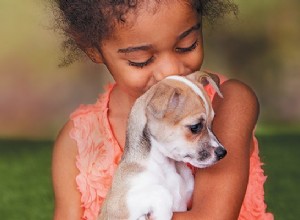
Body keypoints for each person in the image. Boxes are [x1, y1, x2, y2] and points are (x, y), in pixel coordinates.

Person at [51, 0, 274, 219]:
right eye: (141, 60)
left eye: (188, 45)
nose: (171, 71)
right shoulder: (78, 141)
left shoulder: (228, 101)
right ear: (92, 49)